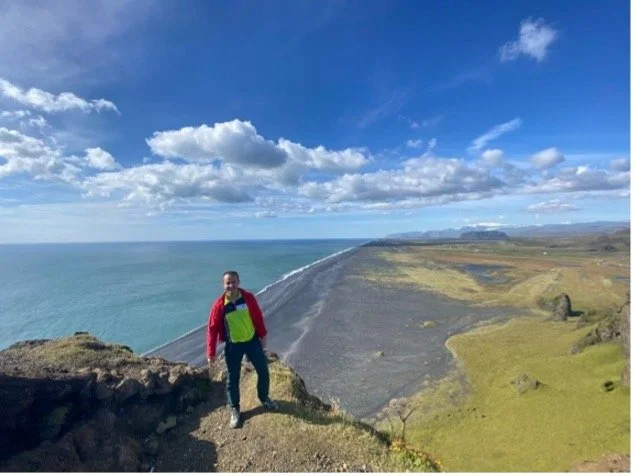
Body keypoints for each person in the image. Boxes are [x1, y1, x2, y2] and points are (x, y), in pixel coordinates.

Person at [207, 270, 278, 428]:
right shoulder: (219, 305)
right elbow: (212, 329)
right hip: (233, 345)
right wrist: (210, 353)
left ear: (239, 282)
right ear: (223, 284)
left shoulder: (248, 298)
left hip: (252, 342)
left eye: (233, 282)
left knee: (263, 370)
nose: (230, 285)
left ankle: (264, 397)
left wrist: (263, 336)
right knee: (233, 379)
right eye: (227, 282)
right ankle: (235, 409)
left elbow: (257, 317)